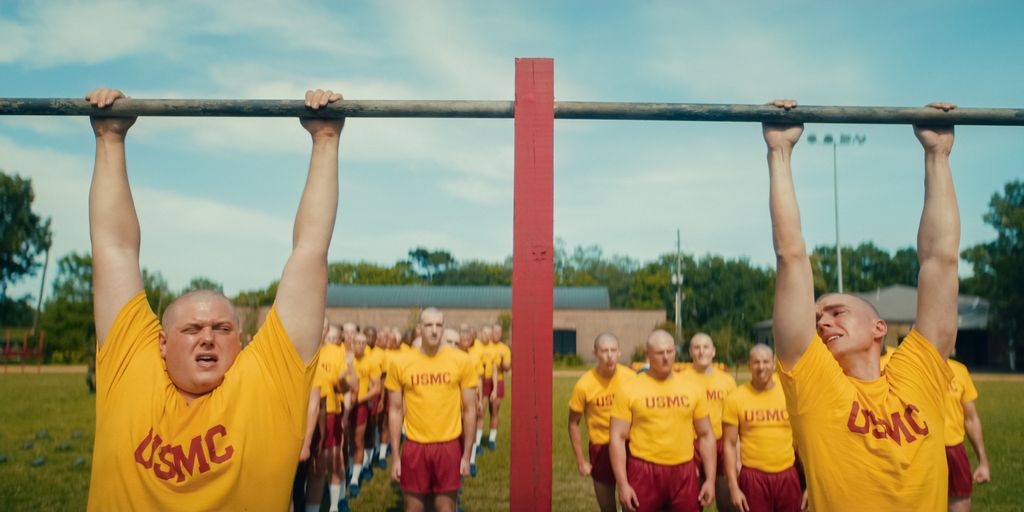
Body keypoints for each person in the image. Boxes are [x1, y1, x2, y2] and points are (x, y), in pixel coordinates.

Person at [85, 87, 343, 510]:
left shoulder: (265, 385)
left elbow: (310, 251)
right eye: (192, 329)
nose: (207, 338)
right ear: (162, 345)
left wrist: (326, 141)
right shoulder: (132, 367)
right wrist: (109, 138)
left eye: (221, 329)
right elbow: (113, 248)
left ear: (240, 342)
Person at [765, 99, 959, 510]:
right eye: (817, 315)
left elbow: (940, 262)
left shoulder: (916, 375)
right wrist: (779, 152)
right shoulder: (815, 384)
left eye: (836, 312)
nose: (821, 321)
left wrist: (937, 156)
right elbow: (791, 257)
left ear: (879, 327)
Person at [610, 329, 716, 512]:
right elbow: (617, 437)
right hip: (644, 470)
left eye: (670, 351)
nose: (666, 357)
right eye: (660, 353)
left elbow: (706, 434)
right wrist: (623, 484)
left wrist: (710, 480)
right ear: (647, 354)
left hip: (683, 472)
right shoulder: (629, 389)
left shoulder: (692, 387)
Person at [387, 308, 478, 512]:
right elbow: (394, 411)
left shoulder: (461, 361)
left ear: (444, 328)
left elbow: (470, 410)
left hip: (448, 446)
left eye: (439, 325)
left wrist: (467, 455)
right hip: (415, 445)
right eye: (429, 325)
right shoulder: (400, 362)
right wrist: (395, 456)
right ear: (419, 329)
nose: (434, 331)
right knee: (413, 508)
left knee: (446, 508)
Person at [722, 344, 803, 512]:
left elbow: (805, 439)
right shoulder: (736, 398)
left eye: (766, 362)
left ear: (773, 363)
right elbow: (729, 445)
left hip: (787, 474)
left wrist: (809, 482)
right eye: (756, 362)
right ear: (749, 364)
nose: (761, 367)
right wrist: (733, 487)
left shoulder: (790, 392)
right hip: (753, 477)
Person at [568, 333, 636, 512]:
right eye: (604, 351)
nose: (609, 355)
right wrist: (581, 460)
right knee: (607, 508)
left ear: (620, 352)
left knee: (631, 505)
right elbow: (573, 423)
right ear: (595, 353)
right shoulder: (584, 385)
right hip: (601, 448)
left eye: (613, 350)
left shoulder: (631, 378)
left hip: (629, 446)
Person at [683, 332, 737, 511]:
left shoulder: (727, 381)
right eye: (697, 348)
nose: (701, 352)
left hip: (721, 442)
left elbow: (735, 420)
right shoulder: (681, 380)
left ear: (713, 351)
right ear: (690, 351)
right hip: (691, 444)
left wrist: (738, 452)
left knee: (727, 501)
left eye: (705, 347)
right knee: (693, 501)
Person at [945, 358, 991, 512]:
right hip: (921, 452)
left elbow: (971, 419)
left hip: (953, 451)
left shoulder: (959, 370)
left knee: (960, 505)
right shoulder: (912, 369)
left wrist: (983, 462)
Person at [348, 332, 382, 497]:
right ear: (352, 343)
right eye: (358, 342)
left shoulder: (371, 363)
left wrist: (361, 398)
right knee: (346, 442)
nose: (361, 345)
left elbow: (377, 387)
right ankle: (348, 472)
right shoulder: (347, 360)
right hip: (346, 405)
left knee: (358, 440)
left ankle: (355, 478)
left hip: (361, 406)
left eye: (363, 343)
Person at [490, 322, 512, 451]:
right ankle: (476, 439)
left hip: (499, 381)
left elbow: (508, 367)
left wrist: (502, 362)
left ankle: (492, 439)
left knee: (494, 411)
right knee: (479, 412)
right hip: (484, 381)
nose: (496, 334)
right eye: (494, 332)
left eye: (499, 332)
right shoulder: (485, 345)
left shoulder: (504, 349)